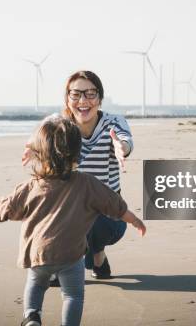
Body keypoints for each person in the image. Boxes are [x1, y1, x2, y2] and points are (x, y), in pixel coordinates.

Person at [0, 116, 146, 326]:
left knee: (36, 284)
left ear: (40, 153)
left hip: (38, 254)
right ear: (78, 153)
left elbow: (8, 208)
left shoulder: (32, 186)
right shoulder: (87, 183)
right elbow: (114, 204)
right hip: (71, 256)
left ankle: (31, 317)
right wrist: (134, 220)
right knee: (73, 296)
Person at [22, 70, 134, 280]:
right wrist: (34, 146)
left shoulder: (114, 122)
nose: (83, 100)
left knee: (93, 221)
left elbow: (125, 140)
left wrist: (121, 147)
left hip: (108, 216)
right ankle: (60, 264)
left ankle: (97, 254)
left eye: (91, 94)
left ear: (100, 99)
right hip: (67, 211)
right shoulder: (59, 124)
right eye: (76, 94)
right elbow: (39, 134)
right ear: (67, 99)